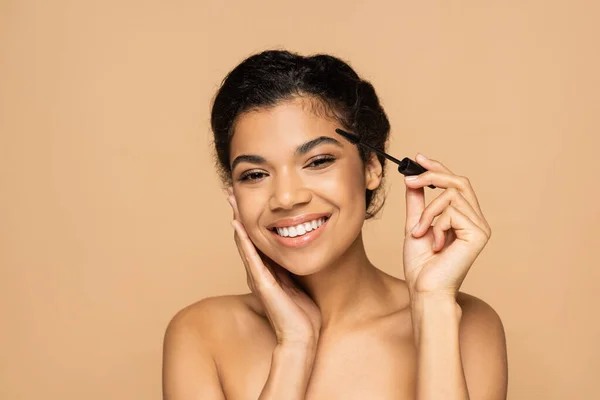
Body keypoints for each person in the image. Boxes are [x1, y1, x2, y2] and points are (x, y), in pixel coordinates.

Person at [162, 50, 508, 399]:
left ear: (372, 167)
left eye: (317, 161)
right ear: (233, 194)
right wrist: (294, 347)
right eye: (255, 174)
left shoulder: (468, 324)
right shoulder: (202, 334)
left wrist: (433, 306)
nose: (285, 198)